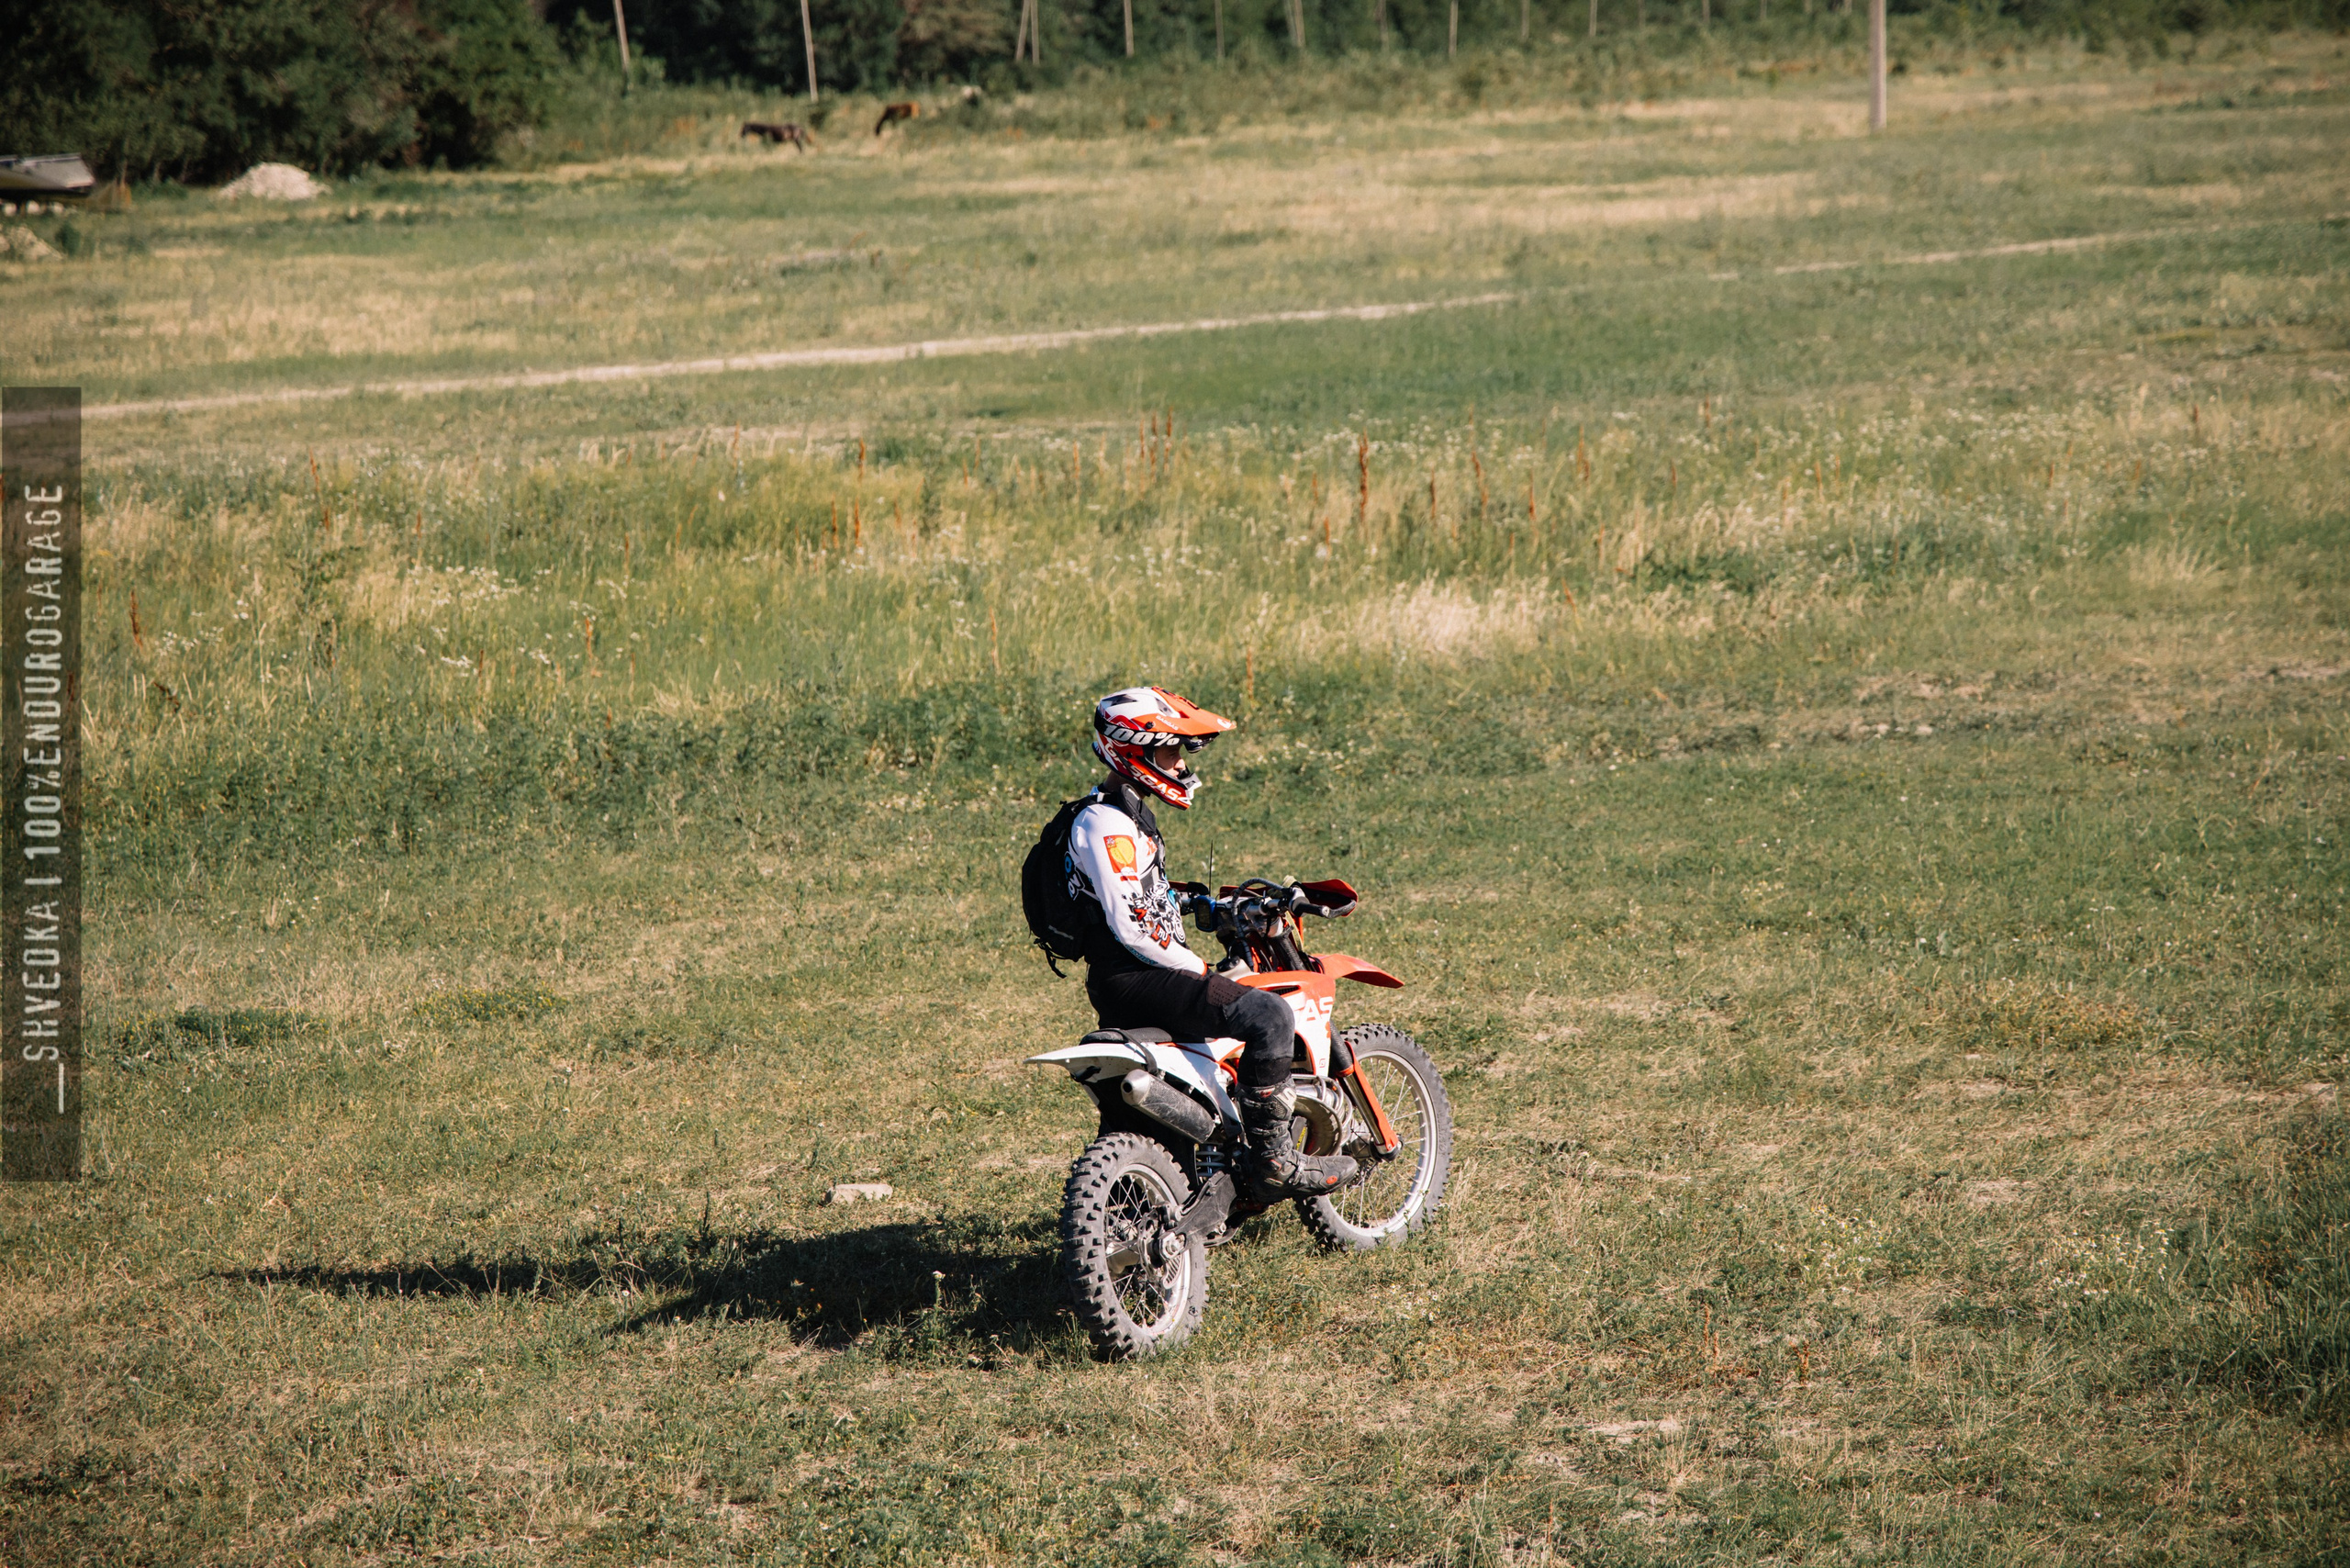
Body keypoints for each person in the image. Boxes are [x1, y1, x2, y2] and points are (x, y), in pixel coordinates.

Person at [1059, 686, 1358, 1203]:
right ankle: (1273, 1160)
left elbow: (1134, 897)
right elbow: (1135, 929)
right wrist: (1198, 969)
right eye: (1169, 750)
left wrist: (1201, 906)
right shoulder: (1108, 824)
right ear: (1135, 751)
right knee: (1270, 1017)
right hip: (1141, 980)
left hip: (1129, 979)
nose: (1178, 763)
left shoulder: (1116, 813)